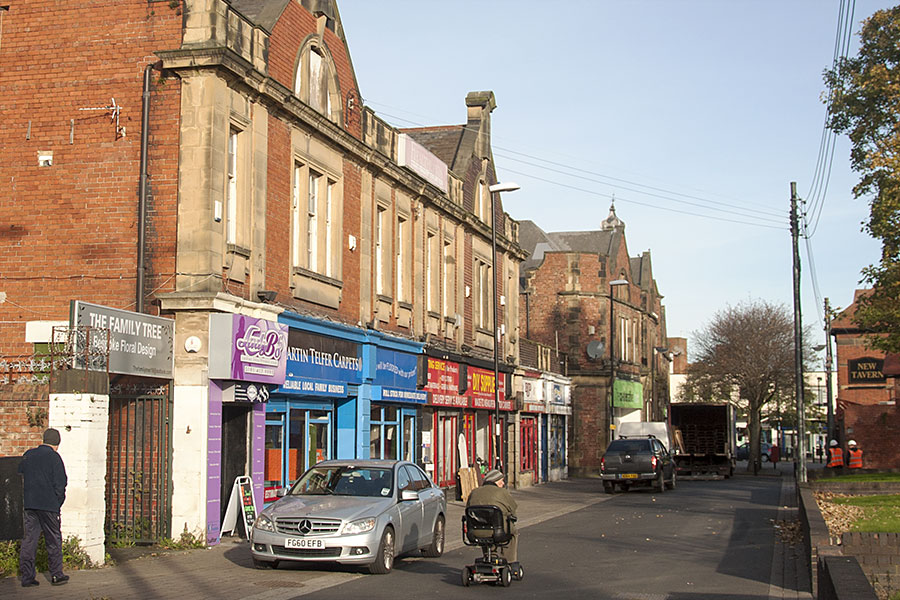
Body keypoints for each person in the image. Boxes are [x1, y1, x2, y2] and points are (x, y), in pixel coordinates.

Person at [18, 428, 69, 587]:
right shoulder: (54, 458)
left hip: (29, 504)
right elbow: (61, 484)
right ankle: (56, 575)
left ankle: (27, 577)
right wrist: (57, 502)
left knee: (29, 540)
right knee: (53, 539)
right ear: (57, 443)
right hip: (48, 505)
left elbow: (19, 475)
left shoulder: (29, 455)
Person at [466, 469, 519, 568]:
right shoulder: (502, 493)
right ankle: (509, 560)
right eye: (501, 481)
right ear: (495, 481)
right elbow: (512, 509)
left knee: (485, 530)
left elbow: (467, 509)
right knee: (513, 532)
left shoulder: (474, 492)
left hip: (475, 532)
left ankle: (489, 555)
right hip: (498, 531)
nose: (503, 483)